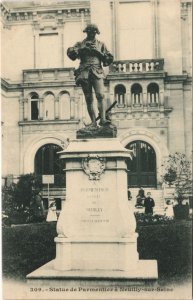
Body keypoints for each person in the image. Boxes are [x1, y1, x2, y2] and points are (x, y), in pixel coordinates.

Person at [67, 23, 113, 127]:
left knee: (100, 95)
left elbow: (109, 59)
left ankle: (103, 119)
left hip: (97, 71)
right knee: (89, 98)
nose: (92, 34)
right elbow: (71, 54)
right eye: (90, 32)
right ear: (86, 32)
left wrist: (98, 53)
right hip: (84, 72)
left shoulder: (101, 44)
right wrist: (82, 50)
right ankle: (93, 122)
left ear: (96, 33)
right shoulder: (80, 44)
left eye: (94, 32)